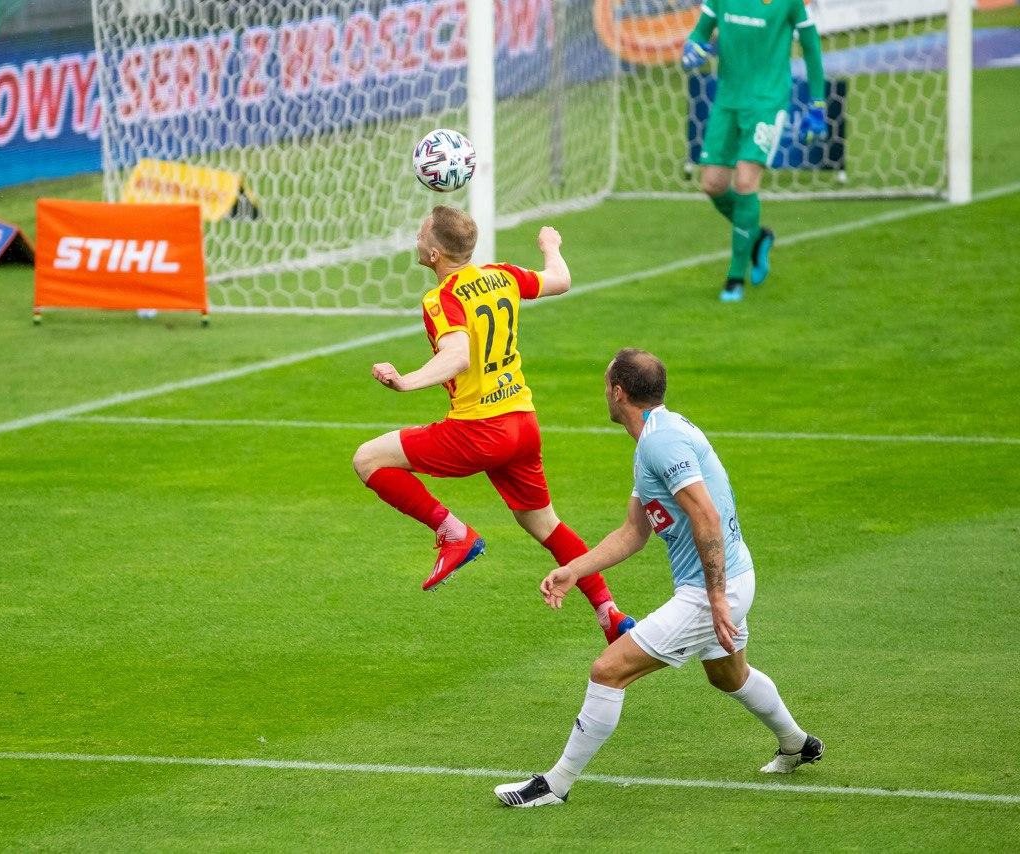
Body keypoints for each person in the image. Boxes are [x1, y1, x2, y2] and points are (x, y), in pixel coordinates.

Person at [495, 348, 822, 808]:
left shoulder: (659, 443)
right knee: (728, 675)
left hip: (713, 589)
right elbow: (634, 532)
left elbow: (705, 515)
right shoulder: (657, 435)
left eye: (605, 383)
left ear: (618, 392)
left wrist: (715, 598)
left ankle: (555, 784)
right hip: (734, 575)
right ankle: (797, 743)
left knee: (608, 671)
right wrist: (574, 570)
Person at [352, 205, 634, 644]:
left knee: (368, 459)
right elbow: (560, 280)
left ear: (434, 254)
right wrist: (551, 246)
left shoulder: (441, 299)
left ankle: (454, 533)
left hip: (478, 430)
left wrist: (406, 382)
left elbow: (457, 356)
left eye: (421, 234)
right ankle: (610, 614)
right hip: (522, 423)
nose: (416, 239)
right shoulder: (502, 275)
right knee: (545, 525)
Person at [682, 0, 827, 302]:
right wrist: (692, 49)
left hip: (767, 101)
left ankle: (735, 278)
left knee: (746, 181)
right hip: (727, 100)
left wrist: (817, 103)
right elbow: (699, 33)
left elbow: (811, 45)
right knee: (712, 184)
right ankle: (758, 237)